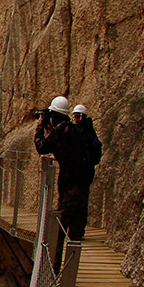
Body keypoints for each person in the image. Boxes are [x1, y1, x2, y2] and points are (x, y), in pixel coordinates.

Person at [34, 96, 99, 269]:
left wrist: (40, 126)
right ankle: (70, 273)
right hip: (83, 187)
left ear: (54, 115)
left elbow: (41, 146)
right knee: (75, 234)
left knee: (58, 232)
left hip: (71, 188)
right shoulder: (75, 130)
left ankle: (52, 273)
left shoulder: (62, 130)